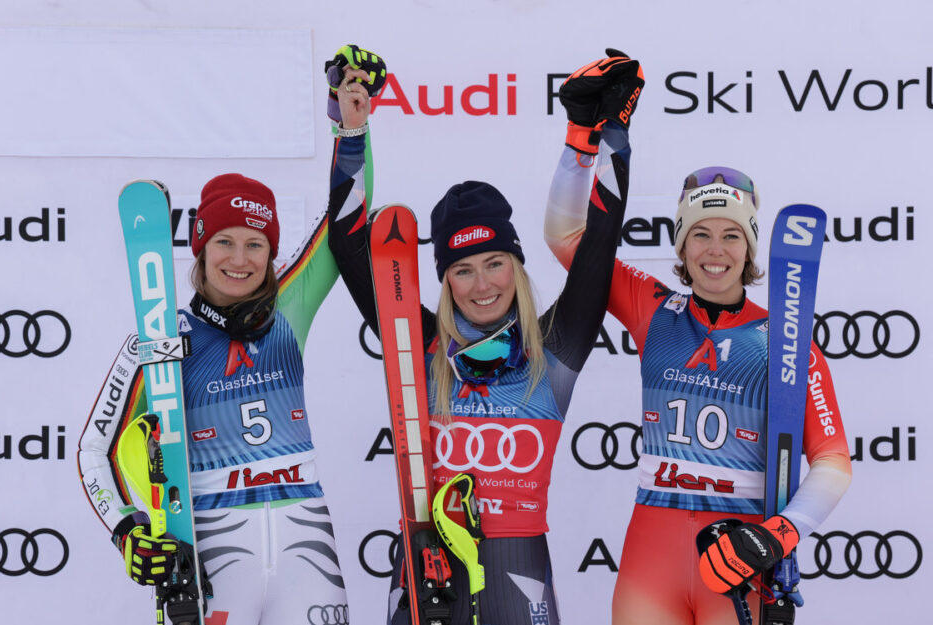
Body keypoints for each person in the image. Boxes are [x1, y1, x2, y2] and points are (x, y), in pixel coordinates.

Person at [325, 49, 641, 624]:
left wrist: (605, 137)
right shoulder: (415, 341)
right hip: (427, 567)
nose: (482, 285)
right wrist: (351, 132)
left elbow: (598, 244)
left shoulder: (556, 348)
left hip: (519, 568)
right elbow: (349, 244)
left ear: (517, 267)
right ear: (444, 280)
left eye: (495, 263)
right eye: (462, 270)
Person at [544, 68, 853, 623]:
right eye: (700, 234)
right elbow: (567, 239)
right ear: (682, 249)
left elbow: (833, 461)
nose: (717, 249)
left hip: (737, 564)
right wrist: (580, 141)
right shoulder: (654, 307)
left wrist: (780, 534)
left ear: (751, 247)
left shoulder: (785, 339)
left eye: (732, 234)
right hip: (650, 560)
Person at [78, 171, 352, 625]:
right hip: (212, 552)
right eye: (225, 241)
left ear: (271, 253)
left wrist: (350, 129)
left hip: (307, 548)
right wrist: (127, 531)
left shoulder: (289, 310)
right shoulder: (160, 337)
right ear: (201, 248)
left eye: (255, 244)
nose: (239, 259)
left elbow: (343, 216)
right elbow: (96, 451)